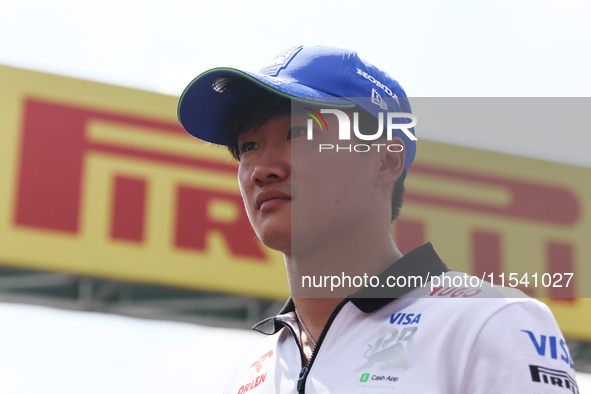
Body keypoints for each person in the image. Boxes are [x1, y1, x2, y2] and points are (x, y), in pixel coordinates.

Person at [178, 46, 578, 393]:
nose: (261, 168)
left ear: (385, 160)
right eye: (248, 145)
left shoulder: (489, 320)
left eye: (298, 132)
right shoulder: (248, 372)